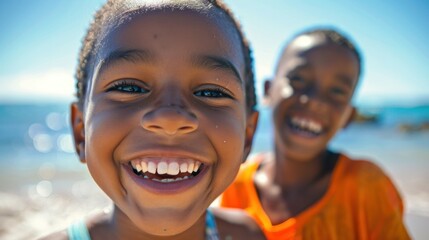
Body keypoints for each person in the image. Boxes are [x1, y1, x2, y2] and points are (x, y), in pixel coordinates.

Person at [39, 0, 265, 239]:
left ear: (247, 135)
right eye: (128, 88)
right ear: (81, 131)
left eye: (212, 93)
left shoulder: (247, 234)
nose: (170, 118)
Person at [220, 28, 411, 239]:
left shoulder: (366, 186)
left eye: (337, 91)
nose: (316, 101)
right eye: (299, 80)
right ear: (268, 90)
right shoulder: (235, 185)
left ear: (349, 116)